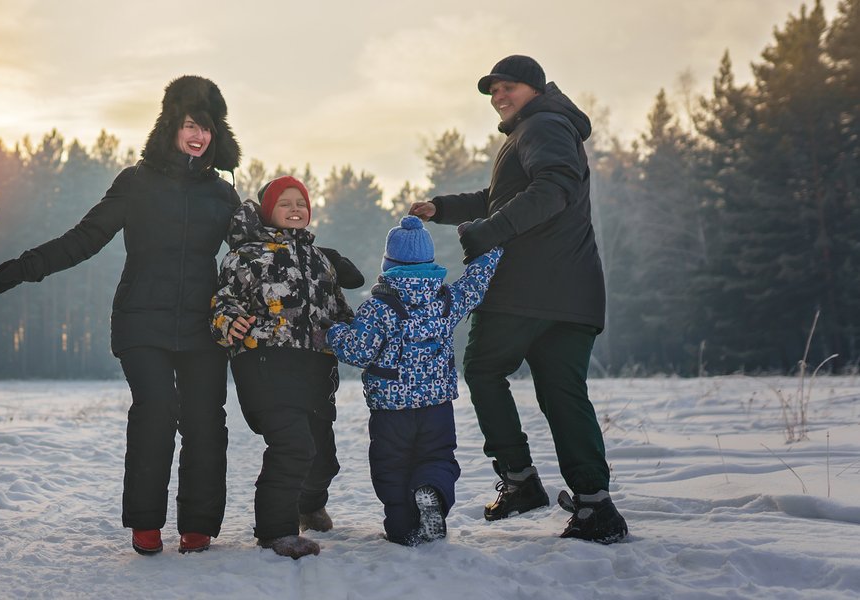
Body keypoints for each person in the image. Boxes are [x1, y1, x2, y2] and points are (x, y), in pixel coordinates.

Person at [0, 75, 241, 555]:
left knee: (207, 420)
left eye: (206, 128)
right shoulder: (136, 182)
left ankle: (198, 525)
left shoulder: (222, 196)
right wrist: (27, 267)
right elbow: (85, 237)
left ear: (216, 136)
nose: (198, 135)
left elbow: (259, 255)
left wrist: (319, 263)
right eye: (190, 124)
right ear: (170, 126)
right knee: (158, 409)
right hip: (141, 321)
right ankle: (146, 524)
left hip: (203, 327)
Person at [409, 55, 628, 544]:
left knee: (484, 370)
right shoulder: (544, 127)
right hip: (573, 294)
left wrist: (489, 233)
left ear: (534, 87)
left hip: (525, 289)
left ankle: (520, 480)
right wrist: (443, 208)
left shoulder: (543, 125)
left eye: (508, 87)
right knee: (562, 392)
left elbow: (554, 188)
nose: (499, 96)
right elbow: (503, 196)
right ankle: (596, 505)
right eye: (493, 90)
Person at [210, 175, 360, 559]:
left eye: (301, 203)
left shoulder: (321, 259)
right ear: (266, 210)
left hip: (315, 367)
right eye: (285, 203)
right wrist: (230, 322)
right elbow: (223, 302)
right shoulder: (245, 256)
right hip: (266, 364)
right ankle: (276, 530)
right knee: (293, 445)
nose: (295, 209)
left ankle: (308, 504)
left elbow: (337, 310)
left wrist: (361, 333)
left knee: (322, 454)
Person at [326, 216, 501, 546]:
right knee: (437, 459)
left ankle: (402, 527)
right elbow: (474, 284)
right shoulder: (446, 301)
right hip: (437, 408)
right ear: (430, 262)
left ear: (388, 264)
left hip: (391, 411)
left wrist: (334, 332)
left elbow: (359, 351)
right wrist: (491, 251)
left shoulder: (378, 308)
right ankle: (431, 490)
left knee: (391, 467)